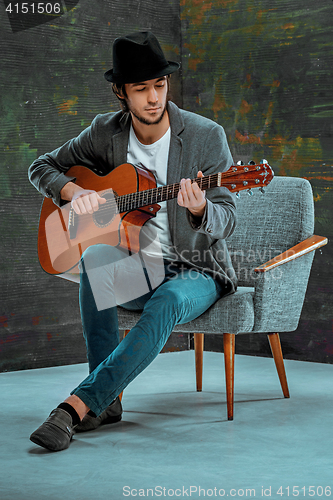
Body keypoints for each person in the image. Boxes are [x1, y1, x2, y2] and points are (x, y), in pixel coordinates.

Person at [28, 31, 237, 452]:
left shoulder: (204, 136)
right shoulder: (105, 133)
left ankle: (78, 406)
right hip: (141, 264)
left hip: (197, 269)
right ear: (120, 93)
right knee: (96, 259)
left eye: (160, 86)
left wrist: (199, 210)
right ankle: (110, 402)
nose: (154, 98)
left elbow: (227, 218)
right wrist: (73, 192)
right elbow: (42, 166)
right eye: (141, 89)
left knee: (168, 299)